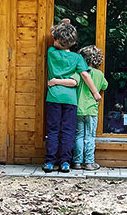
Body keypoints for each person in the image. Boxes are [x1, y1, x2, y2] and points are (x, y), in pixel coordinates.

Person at [44, 19, 101, 174]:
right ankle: (65, 163)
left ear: (57, 39)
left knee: (53, 130)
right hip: (71, 100)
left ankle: (50, 162)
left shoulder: (51, 52)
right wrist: (95, 92)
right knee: (68, 131)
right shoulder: (77, 58)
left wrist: (63, 24)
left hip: (53, 98)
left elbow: (57, 35)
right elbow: (85, 76)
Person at [71, 45, 108, 171]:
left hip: (78, 109)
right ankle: (89, 162)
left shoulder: (79, 73)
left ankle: (76, 162)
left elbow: (73, 82)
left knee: (79, 136)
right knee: (90, 136)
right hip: (92, 110)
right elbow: (105, 86)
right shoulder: (99, 74)